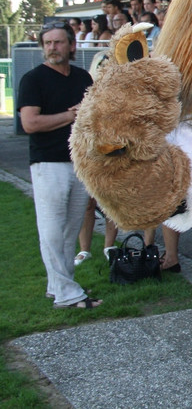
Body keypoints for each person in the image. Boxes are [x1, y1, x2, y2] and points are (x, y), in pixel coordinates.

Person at [17, 21, 102, 309]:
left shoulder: (82, 78)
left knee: (69, 230)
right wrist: (69, 115)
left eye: (58, 42)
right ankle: (68, 294)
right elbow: (30, 123)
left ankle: (59, 287)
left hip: (79, 163)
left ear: (71, 45)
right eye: (48, 43)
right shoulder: (33, 79)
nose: (52, 48)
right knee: (52, 231)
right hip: (48, 164)